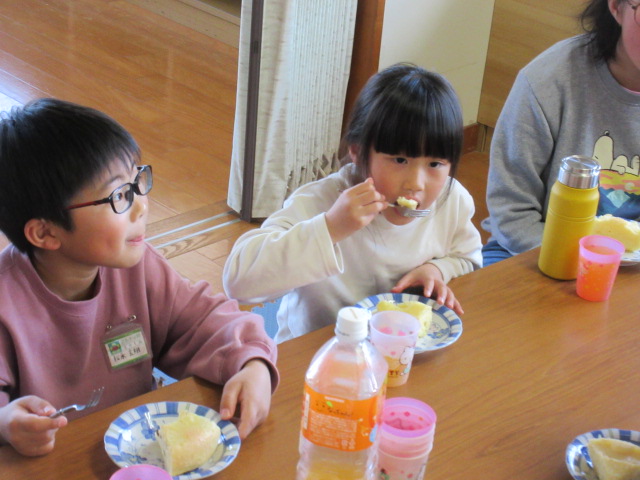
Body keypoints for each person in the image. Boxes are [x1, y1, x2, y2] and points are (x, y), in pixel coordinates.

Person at [0, 98, 279, 457]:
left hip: (142, 453)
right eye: (119, 195)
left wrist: (252, 363)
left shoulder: (136, 266)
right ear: (45, 233)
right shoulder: (7, 301)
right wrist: (7, 423)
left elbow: (203, 320)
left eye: (137, 182)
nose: (142, 205)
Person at [223, 64, 482, 343]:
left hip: (400, 349)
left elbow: (467, 257)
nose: (416, 184)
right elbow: (238, 282)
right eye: (400, 160)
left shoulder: (451, 201)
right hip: (315, 350)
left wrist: (437, 270)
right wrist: (330, 228)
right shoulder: (319, 202)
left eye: (435, 164)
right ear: (358, 152)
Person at [482, 0, 640, 266]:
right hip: (532, 250)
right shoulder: (548, 80)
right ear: (616, 7)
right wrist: (579, 265)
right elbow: (511, 213)